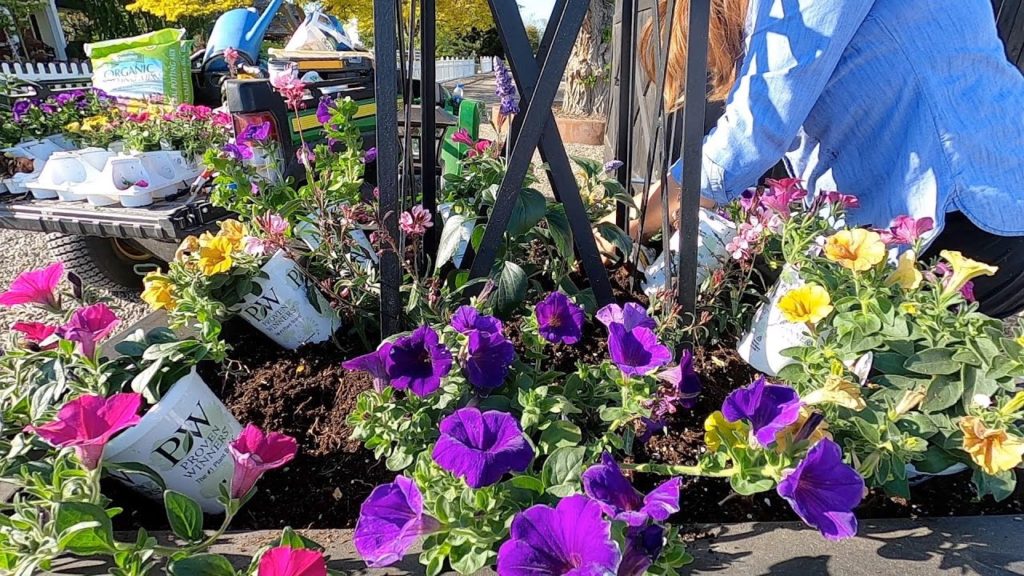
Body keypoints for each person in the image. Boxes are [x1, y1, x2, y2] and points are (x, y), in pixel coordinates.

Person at [618, 0, 1024, 318]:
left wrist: (631, 225)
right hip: (976, 198)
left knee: (864, 392)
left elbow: (757, 127)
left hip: (962, 212)